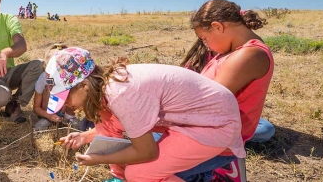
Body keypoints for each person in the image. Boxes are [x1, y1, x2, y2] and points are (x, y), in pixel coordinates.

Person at [53, 47, 245, 182]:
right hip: (189, 120)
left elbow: (146, 152)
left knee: (139, 174)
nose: (65, 105)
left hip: (213, 123)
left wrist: (98, 159)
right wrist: (84, 136)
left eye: (65, 97)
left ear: (84, 86)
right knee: (128, 163)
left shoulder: (120, 93)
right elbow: (111, 126)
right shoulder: (108, 87)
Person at [181, 0, 275, 180]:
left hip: (215, 140)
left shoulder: (250, 54)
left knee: (144, 166)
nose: (205, 45)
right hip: (205, 132)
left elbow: (208, 101)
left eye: (204, 38)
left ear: (218, 27)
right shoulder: (230, 52)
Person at [32, 43, 80, 131]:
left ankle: (69, 117)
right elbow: (36, 108)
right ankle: (47, 118)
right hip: (47, 113)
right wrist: (48, 115)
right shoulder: (44, 79)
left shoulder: (72, 77)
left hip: (66, 110)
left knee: (73, 89)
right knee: (50, 88)